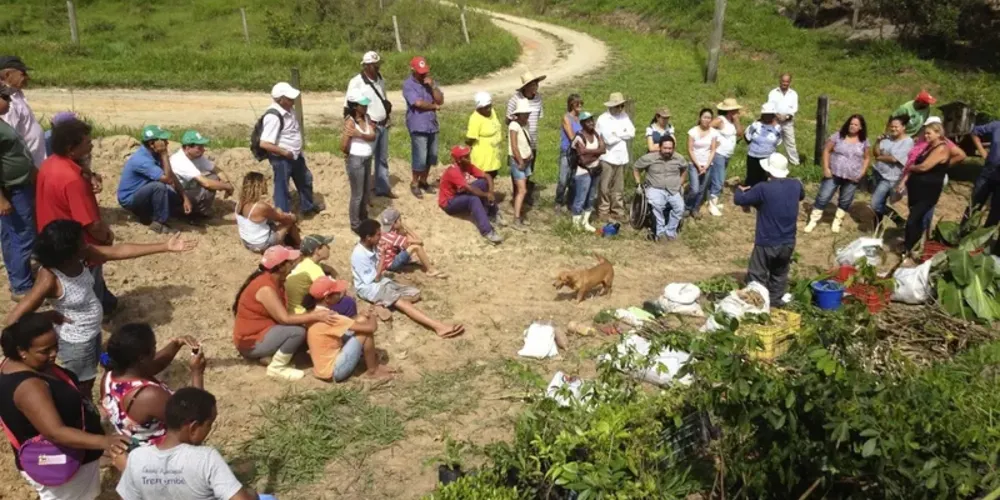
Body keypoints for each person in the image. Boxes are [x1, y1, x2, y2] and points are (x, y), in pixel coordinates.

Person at [4, 219, 196, 397]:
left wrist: (165, 247)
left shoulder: (81, 256)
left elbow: (119, 251)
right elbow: (14, 318)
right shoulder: (50, 277)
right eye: (81, 243)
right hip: (77, 343)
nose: (86, 244)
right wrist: (45, 317)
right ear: (67, 252)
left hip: (92, 333)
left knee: (92, 373)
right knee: (82, 386)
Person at [1, 313, 129, 500]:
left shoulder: (13, 364)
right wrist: (104, 442)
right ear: (22, 351)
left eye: (56, 346)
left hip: (73, 454)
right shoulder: (29, 388)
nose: (54, 354)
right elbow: (56, 432)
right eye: (45, 351)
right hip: (62, 462)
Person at [116, 388, 259, 500]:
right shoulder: (206, 459)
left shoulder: (136, 458)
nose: (210, 430)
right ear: (194, 427)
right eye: (209, 424)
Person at [36, 118, 118, 313]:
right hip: (78, 247)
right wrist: (107, 237)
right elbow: (91, 224)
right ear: (71, 148)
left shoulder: (49, 164)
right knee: (90, 289)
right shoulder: (73, 180)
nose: (91, 145)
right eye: (86, 142)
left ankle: (107, 302)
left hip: (53, 238)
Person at [232, 245, 339, 381]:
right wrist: (315, 315)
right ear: (281, 267)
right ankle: (277, 366)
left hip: (265, 331)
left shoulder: (276, 282)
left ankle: (269, 356)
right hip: (252, 341)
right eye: (290, 262)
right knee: (297, 332)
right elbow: (284, 319)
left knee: (304, 331)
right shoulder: (266, 288)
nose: (293, 264)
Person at [351, 219, 464, 338]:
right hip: (370, 288)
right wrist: (383, 257)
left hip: (381, 281)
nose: (381, 237)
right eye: (378, 235)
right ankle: (438, 327)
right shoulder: (359, 255)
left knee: (415, 294)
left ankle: (384, 303)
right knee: (403, 303)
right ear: (369, 237)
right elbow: (376, 278)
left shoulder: (372, 246)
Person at [100, 324, 205, 449]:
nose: (156, 350)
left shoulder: (109, 378)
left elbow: (155, 364)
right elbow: (195, 421)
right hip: (165, 458)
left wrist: (177, 343)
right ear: (141, 358)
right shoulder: (150, 396)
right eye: (154, 347)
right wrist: (197, 373)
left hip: (137, 452)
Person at [733, 153, 804, 307]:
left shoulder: (763, 188)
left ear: (769, 171)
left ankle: (756, 305)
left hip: (766, 241)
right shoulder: (796, 185)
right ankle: (775, 302)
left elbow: (740, 200)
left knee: (757, 274)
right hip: (788, 241)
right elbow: (800, 196)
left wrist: (739, 189)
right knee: (779, 274)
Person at [302, 276, 394, 382]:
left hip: (323, 368)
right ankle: (373, 370)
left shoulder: (315, 313)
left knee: (362, 320)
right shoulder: (331, 317)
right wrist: (372, 315)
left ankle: (373, 364)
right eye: (337, 292)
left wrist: (364, 317)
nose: (340, 293)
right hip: (333, 372)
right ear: (327, 298)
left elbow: (350, 323)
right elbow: (372, 328)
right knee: (365, 333)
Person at [257, 82, 322, 216]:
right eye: (289, 98)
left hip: (295, 155)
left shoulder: (289, 110)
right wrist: (285, 152)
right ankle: (283, 215)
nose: (293, 100)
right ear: (280, 99)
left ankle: (307, 207)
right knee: (282, 188)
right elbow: (264, 143)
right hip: (282, 158)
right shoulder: (273, 116)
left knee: (305, 179)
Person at [116, 125, 193, 234]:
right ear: (152, 144)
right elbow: (167, 179)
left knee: (176, 197)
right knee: (159, 187)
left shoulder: (154, 154)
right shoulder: (142, 159)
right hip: (130, 198)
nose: (167, 144)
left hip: (143, 192)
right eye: (163, 141)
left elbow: (171, 175)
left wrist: (184, 197)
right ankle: (158, 224)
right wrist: (164, 154)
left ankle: (147, 215)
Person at [804, 114, 871, 234]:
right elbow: (826, 150)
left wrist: (862, 172)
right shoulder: (838, 136)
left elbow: (866, 158)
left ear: (861, 127)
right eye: (851, 123)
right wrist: (825, 168)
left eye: (856, 124)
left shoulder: (864, 141)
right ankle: (813, 220)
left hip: (852, 176)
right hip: (834, 172)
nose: (852, 126)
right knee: (824, 196)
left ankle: (837, 221)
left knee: (845, 199)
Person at [0, 86, 36, 300]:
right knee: (24, 234)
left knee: (10, 234)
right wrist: (1, 199)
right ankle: (21, 286)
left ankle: (18, 277)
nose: (9, 102)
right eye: (4, 98)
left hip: (17, 184)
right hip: (12, 188)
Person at [344, 51, 396, 199]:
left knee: (382, 158)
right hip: (368, 125)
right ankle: (363, 193)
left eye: (378, 64)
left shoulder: (381, 79)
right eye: (374, 65)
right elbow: (349, 105)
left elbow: (383, 99)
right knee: (365, 159)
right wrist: (356, 124)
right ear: (366, 66)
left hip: (382, 124)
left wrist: (387, 117)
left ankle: (383, 188)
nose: (377, 67)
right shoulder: (356, 82)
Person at [900, 122, 951, 259]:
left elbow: (924, 167)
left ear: (938, 134)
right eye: (925, 133)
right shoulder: (929, 146)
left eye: (929, 133)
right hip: (916, 188)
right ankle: (912, 245)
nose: (926, 136)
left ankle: (909, 248)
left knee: (913, 219)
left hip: (928, 191)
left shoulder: (942, 149)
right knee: (915, 218)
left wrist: (911, 168)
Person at [439, 145, 504, 244]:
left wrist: (490, 192)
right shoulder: (453, 171)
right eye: (466, 157)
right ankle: (487, 231)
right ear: (459, 160)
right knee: (473, 199)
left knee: (482, 183)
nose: (469, 158)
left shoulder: (467, 166)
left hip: (459, 194)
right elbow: (470, 188)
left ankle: (493, 213)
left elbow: (487, 176)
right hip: (449, 202)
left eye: (468, 155)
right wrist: (486, 195)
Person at [632, 136, 688, 242]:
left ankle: (670, 232)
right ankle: (660, 233)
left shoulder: (679, 158)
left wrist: (680, 183)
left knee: (679, 208)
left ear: (673, 148)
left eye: (670, 148)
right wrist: (638, 184)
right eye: (665, 148)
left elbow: (684, 169)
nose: (667, 151)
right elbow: (636, 168)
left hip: (673, 189)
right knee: (658, 205)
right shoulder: (649, 158)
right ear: (660, 147)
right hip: (655, 188)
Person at [168, 130, 235, 220]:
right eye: (199, 147)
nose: (203, 150)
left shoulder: (196, 156)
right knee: (210, 184)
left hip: (188, 188)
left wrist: (226, 181)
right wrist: (227, 187)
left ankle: (199, 210)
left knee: (214, 177)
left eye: (203, 146)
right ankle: (196, 213)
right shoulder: (180, 161)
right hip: (178, 195)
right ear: (187, 148)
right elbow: (206, 183)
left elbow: (215, 169)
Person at [402, 56, 444, 198]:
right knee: (420, 156)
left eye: (424, 71)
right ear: (413, 70)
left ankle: (424, 181)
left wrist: (433, 87)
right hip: (417, 124)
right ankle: (414, 183)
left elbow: (440, 100)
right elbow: (418, 103)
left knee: (431, 155)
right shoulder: (408, 85)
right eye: (420, 72)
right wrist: (434, 106)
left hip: (431, 124)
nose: (423, 74)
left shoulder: (430, 83)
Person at [235, 172, 300, 253]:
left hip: (247, 242)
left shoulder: (240, 202)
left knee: (273, 219)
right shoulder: (260, 207)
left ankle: (284, 244)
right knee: (289, 221)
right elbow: (282, 218)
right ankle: (299, 247)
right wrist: (293, 217)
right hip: (261, 244)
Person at [506, 71, 545, 206]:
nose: (535, 87)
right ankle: (517, 195)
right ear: (525, 86)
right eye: (532, 84)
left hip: (532, 140)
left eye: (536, 84)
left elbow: (538, 117)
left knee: (529, 169)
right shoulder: (514, 99)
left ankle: (524, 194)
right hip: (519, 140)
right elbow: (508, 119)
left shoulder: (538, 98)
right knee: (517, 169)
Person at [596, 92, 636, 221]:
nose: (620, 109)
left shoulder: (624, 116)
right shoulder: (603, 119)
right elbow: (608, 139)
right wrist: (622, 134)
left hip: (621, 157)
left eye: (622, 106)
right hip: (607, 157)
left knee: (618, 187)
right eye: (618, 106)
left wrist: (617, 134)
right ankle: (603, 210)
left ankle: (617, 210)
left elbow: (631, 132)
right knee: (604, 186)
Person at [0, 56, 45, 167]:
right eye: (23, 74)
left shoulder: (15, 93)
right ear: (7, 75)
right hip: (28, 166)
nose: (27, 77)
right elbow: (11, 142)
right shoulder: (8, 101)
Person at [378, 207, 446, 278]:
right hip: (391, 265)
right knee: (416, 247)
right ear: (396, 222)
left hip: (383, 262)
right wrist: (407, 229)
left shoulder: (383, 233)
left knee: (406, 246)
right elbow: (419, 242)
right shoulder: (394, 237)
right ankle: (430, 270)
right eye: (400, 220)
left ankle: (420, 261)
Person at [869, 116, 913, 226]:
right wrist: (878, 141)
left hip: (890, 178)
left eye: (896, 127)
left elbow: (894, 159)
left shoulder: (907, 142)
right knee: (879, 203)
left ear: (903, 127)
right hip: (878, 173)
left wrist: (880, 157)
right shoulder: (887, 138)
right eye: (891, 126)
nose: (893, 129)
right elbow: (875, 153)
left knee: (875, 204)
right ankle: (878, 226)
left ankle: (898, 220)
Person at [342, 95, 377, 233]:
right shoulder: (350, 122)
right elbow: (343, 145)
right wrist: (349, 155)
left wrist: (359, 134)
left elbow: (373, 136)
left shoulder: (367, 118)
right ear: (355, 106)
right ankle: (355, 223)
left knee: (366, 190)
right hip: (356, 159)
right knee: (357, 193)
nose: (365, 107)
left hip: (367, 158)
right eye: (362, 105)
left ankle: (363, 217)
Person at [570, 111, 606, 232]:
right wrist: (597, 152)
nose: (591, 123)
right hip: (583, 171)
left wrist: (589, 152)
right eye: (588, 121)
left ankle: (585, 222)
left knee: (591, 198)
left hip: (595, 169)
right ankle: (576, 224)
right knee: (580, 197)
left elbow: (603, 149)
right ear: (582, 123)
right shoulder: (579, 137)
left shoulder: (596, 134)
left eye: (592, 120)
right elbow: (583, 159)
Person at [709, 98, 744, 217]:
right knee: (719, 180)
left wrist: (737, 120)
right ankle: (712, 205)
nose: (738, 112)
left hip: (727, 155)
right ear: (730, 111)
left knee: (718, 177)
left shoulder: (732, 122)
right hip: (719, 154)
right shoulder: (720, 120)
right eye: (736, 110)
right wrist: (712, 142)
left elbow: (740, 133)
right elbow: (706, 128)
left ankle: (713, 200)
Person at [284, 234, 335, 315]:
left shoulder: (305, 263)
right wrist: (333, 272)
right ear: (317, 250)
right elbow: (330, 293)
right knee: (346, 302)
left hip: (293, 310)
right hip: (302, 314)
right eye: (326, 245)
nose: (329, 248)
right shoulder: (313, 269)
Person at [685, 108, 720, 219]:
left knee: (702, 189)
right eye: (704, 117)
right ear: (700, 118)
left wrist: (707, 165)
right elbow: (690, 149)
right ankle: (687, 206)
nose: (706, 120)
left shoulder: (714, 133)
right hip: (694, 164)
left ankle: (695, 209)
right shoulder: (693, 131)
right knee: (694, 188)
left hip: (707, 164)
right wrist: (697, 165)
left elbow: (713, 149)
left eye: (709, 118)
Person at [466, 91, 503, 180]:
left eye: (490, 106)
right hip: (482, 155)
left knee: (493, 174)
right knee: (484, 177)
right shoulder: (475, 119)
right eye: (485, 107)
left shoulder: (492, 112)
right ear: (479, 108)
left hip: (493, 154)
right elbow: (471, 138)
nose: (489, 109)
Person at [743, 103, 783, 187]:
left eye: (769, 114)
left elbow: (778, 141)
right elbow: (747, 137)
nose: (767, 116)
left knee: (764, 179)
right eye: (765, 114)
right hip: (753, 157)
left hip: (768, 157)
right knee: (752, 178)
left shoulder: (778, 128)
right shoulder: (756, 125)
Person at [509, 99, 534, 228]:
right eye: (525, 114)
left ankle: (520, 214)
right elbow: (514, 146)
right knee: (522, 190)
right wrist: (520, 161)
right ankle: (516, 218)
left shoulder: (525, 125)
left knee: (523, 189)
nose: (527, 116)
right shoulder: (514, 126)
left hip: (526, 159)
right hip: (518, 161)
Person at [556, 94, 584, 210]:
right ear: (572, 104)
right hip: (567, 151)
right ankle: (558, 201)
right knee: (563, 179)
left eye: (581, 104)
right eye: (578, 104)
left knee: (573, 179)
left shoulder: (581, 118)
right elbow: (572, 135)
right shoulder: (566, 118)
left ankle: (570, 203)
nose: (580, 106)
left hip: (578, 152)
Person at [766, 73, 800, 165]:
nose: (785, 83)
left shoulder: (793, 94)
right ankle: (770, 162)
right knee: (772, 141)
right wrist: (777, 115)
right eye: (783, 81)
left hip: (788, 122)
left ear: (790, 82)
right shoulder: (773, 93)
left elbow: (794, 109)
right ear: (780, 81)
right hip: (775, 121)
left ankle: (794, 162)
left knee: (790, 142)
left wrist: (787, 116)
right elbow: (769, 107)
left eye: (787, 82)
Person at [969, 120, 1000, 219]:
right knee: (974, 206)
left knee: (996, 211)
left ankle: (986, 233)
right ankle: (963, 232)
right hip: (987, 172)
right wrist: (982, 150)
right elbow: (974, 131)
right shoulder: (997, 125)